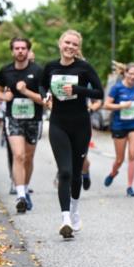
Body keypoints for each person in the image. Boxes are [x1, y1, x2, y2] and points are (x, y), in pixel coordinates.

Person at [43, 30, 104, 238]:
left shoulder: (84, 68)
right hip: (58, 124)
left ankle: (75, 210)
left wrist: (78, 89)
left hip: (80, 125)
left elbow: (99, 93)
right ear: (60, 43)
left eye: (74, 44)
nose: (70, 47)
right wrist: (46, 95)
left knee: (77, 173)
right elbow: (43, 85)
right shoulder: (51, 67)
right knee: (65, 172)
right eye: (67, 43)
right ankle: (65, 218)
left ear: (78, 48)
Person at [0, 37, 46, 214]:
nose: (20, 51)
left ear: (28, 50)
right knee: (18, 155)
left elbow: (44, 99)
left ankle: (25, 187)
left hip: (33, 119)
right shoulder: (5, 71)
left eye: (23, 48)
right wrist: (4, 97)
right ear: (12, 51)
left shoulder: (38, 71)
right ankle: (21, 195)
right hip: (13, 118)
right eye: (17, 48)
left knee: (29, 158)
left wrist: (25, 91)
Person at [103, 62, 134, 197]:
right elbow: (106, 105)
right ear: (125, 73)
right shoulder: (117, 88)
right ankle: (113, 172)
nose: (132, 76)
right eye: (130, 73)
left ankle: (130, 186)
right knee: (120, 159)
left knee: (132, 154)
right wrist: (121, 106)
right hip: (119, 125)